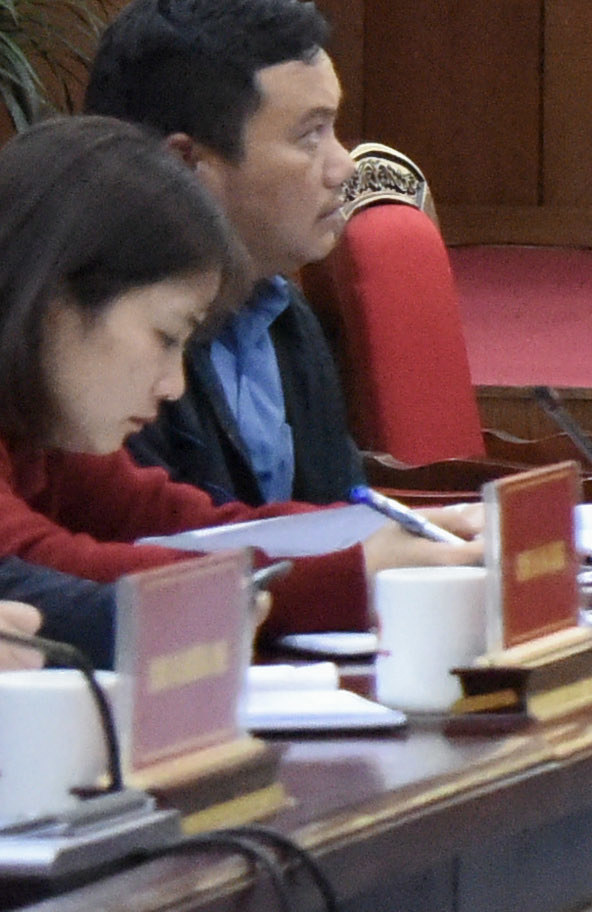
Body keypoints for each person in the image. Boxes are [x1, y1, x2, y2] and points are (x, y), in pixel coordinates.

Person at [0, 118, 449, 653]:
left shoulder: (43, 429)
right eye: (166, 336)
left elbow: (179, 522)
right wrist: (348, 574)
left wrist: (405, 532)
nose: (174, 385)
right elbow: (39, 571)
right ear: (53, 304)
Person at [84, 0, 371, 504]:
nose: (344, 167)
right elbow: (151, 540)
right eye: (310, 135)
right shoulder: (104, 339)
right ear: (185, 164)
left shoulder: (285, 314)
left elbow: (339, 507)